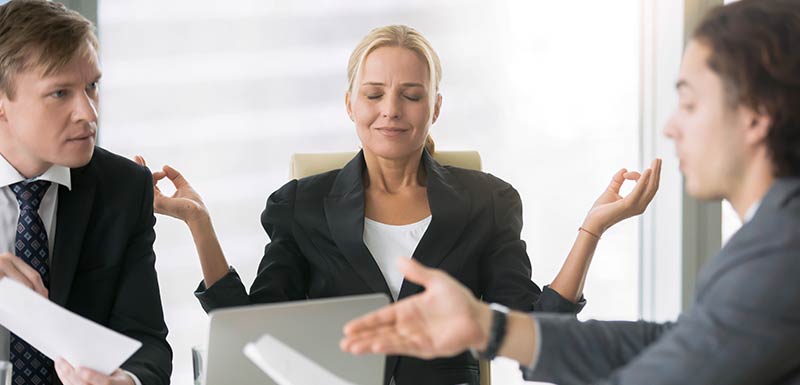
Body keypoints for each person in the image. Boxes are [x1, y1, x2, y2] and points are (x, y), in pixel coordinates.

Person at [139, 25, 659, 385]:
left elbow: (535, 331)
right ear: (350, 104)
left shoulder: (489, 202)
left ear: (435, 107)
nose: (391, 110)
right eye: (374, 94)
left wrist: (591, 230)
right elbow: (254, 337)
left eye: (411, 95)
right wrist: (200, 225)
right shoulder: (301, 204)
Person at [340, 1, 800, 384]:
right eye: (374, 95)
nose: (671, 126)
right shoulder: (771, 238)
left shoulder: (780, 252)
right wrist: (488, 327)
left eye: (690, 103)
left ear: (756, 118)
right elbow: (674, 342)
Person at [0, 1, 172, 384]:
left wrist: (125, 382)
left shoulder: (124, 189)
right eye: (60, 93)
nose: (89, 113)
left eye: (92, 86)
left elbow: (146, 344)